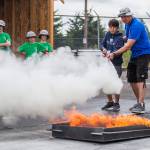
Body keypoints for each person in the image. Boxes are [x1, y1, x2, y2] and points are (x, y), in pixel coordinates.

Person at [107, 8, 150, 113]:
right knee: (131, 78)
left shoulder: (136, 25)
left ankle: (141, 104)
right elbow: (128, 38)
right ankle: (138, 103)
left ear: (129, 16)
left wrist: (114, 53)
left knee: (140, 78)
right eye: (121, 17)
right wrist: (120, 38)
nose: (122, 19)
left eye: (124, 17)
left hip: (144, 53)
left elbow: (128, 46)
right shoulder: (127, 24)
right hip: (135, 53)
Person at [101, 19, 124, 112]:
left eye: (114, 27)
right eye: (110, 27)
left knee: (115, 83)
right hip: (107, 63)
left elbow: (118, 50)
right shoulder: (107, 34)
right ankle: (110, 101)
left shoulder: (120, 37)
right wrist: (103, 50)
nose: (112, 29)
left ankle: (116, 103)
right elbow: (102, 44)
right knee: (105, 82)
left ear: (117, 28)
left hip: (116, 64)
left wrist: (111, 54)